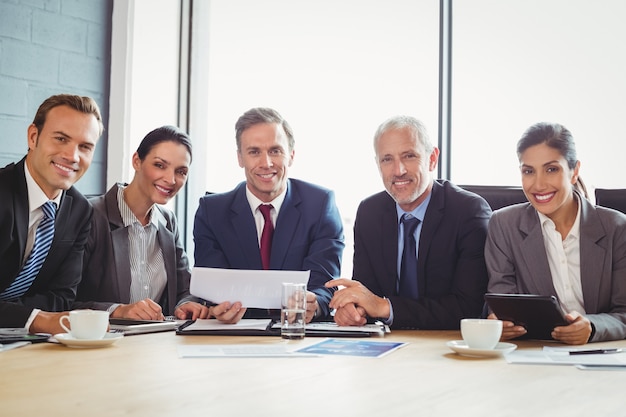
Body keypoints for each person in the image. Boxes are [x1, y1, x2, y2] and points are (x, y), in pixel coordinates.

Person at [326, 115, 491, 329]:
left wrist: (385, 307)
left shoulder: (468, 212)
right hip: (386, 346)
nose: (398, 170)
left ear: (432, 159)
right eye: (387, 159)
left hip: (447, 345)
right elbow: (367, 294)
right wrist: (354, 310)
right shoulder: (370, 212)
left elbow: (469, 308)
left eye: (409, 156)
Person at [193, 107, 344, 323]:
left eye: (275, 150)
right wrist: (218, 306)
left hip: (299, 334)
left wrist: (314, 304)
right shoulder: (212, 212)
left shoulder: (320, 205)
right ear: (240, 158)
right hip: (235, 334)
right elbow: (212, 288)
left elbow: (324, 284)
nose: (266, 163)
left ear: (291, 155)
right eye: (254, 152)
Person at [485, 122, 626, 344]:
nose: (538, 184)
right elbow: (502, 300)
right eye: (528, 171)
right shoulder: (504, 225)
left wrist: (592, 327)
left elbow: (624, 312)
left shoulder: (616, 227)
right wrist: (500, 323)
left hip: (602, 353)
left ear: (574, 171)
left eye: (551, 169)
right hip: (533, 351)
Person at [75, 126, 210, 321]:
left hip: (153, 343)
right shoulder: (89, 215)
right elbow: (63, 301)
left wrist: (185, 305)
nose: (171, 179)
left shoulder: (168, 221)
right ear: (136, 161)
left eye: (181, 171)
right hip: (100, 343)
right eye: (160, 165)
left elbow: (184, 289)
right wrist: (118, 311)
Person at [0, 93, 104, 335]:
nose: (72, 156)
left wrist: (24, 318)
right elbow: (50, 314)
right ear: (33, 137)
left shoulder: (80, 211)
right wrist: (37, 319)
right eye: (61, 139)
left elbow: (62, 298)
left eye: (85, 147)